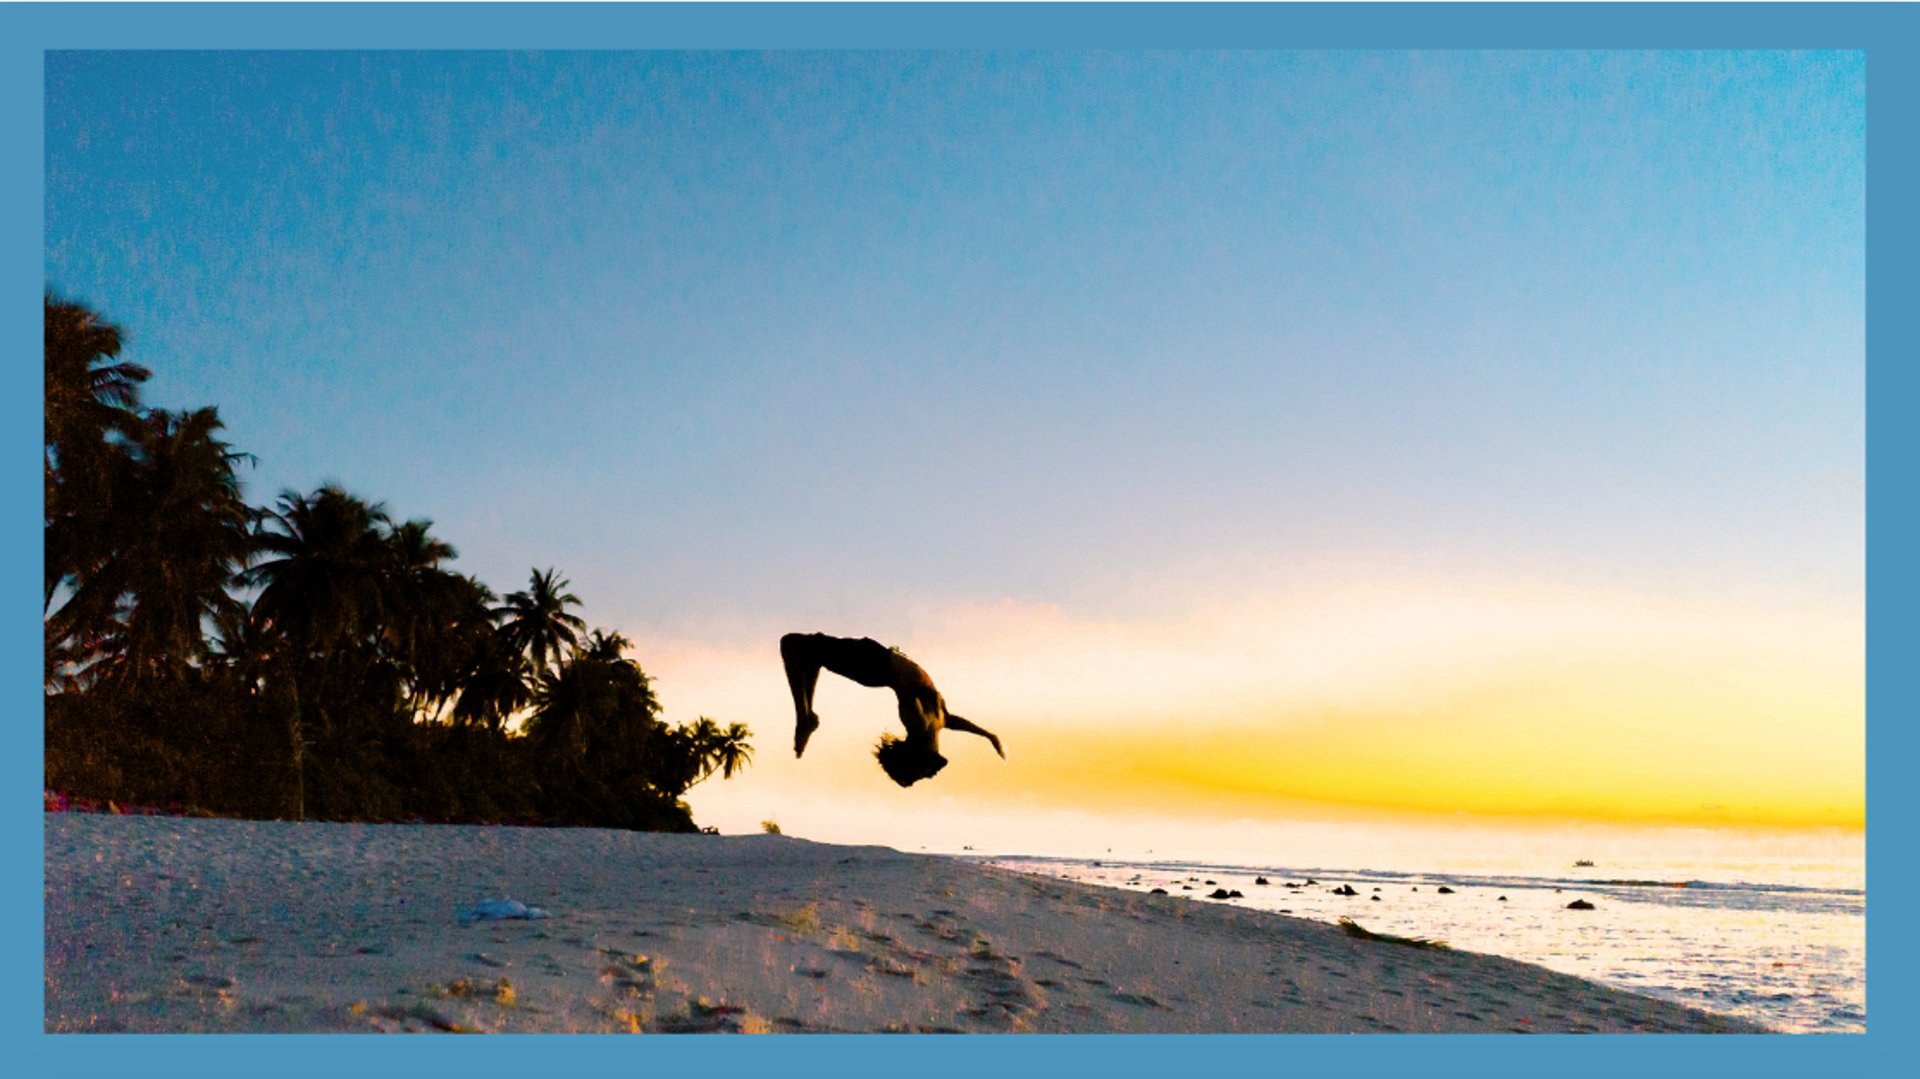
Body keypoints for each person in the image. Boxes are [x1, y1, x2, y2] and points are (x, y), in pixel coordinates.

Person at [779, 632, 1004, 787]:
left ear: (917, 758)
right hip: (876, 661)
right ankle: (805, 717)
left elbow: (906, 689)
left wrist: (910, 683)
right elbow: (953, 720)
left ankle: (805, 717)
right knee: (807, 652)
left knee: (793, 645)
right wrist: (988, 735)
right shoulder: (936, 724)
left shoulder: (918, 723)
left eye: (918, 776)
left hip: (873, 665)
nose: (927, 777)